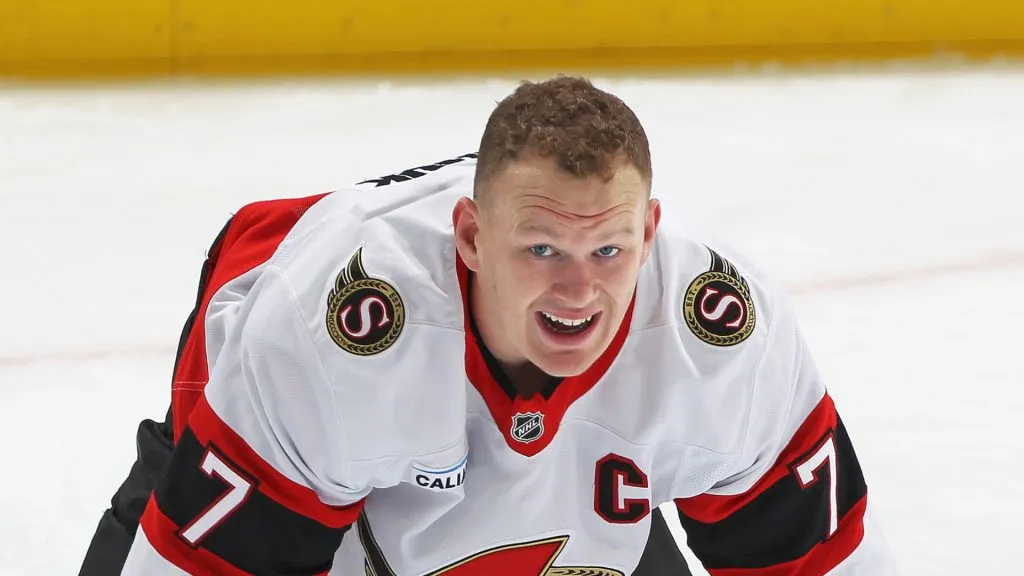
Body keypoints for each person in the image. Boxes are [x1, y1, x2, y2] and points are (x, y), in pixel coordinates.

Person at [92, 75, 897, 575]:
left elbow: (818, 564)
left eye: (609, 249)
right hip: (290, 436)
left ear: (649, 236)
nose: (578, 289)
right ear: (471, 237)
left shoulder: (725, 336)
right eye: (543, 248)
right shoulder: (329, 333)